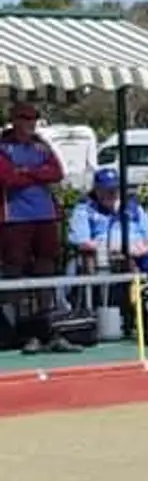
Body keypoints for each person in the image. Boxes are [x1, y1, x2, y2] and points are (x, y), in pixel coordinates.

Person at [68, 167, 148, 333]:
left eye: (115, 189)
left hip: (141, 252)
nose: (112, 194)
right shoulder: (85, 209)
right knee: (127, 264)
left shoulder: (132, 207)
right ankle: (132, 316)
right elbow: (81, 241)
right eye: (106, 190)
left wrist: (145, 246)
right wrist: (114, 247)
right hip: (107, 256)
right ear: (97, 190)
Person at [0, 101, 71, 353]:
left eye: (33, 118)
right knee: (15, 270)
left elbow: (57, 172)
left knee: (46, 267)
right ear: (14, 119)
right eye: (25, 118)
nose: (30, 123)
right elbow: (7, 176)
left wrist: (27, 171)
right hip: (14, 217)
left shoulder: (41, 144)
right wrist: (35, 172)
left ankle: (45, 325)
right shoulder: (3, 145)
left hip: (44, 215)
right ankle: (20, 328)